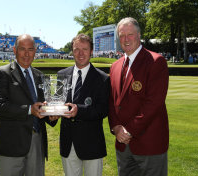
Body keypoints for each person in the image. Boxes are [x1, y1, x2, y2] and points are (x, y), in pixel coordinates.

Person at [108, 17, 169, 176]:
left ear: (139, 35)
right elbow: (112, 101)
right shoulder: (114, 66)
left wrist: (129, 131)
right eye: (122, 35)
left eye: (130, 34)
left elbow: (153, 103)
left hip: (149, 144)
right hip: (122, 145)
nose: (126, 39)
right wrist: (115, 127)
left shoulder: (156, 61)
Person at [0, 34, 56, 176]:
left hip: (37, 141)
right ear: (15, 50)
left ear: (35, 51)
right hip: (11, 143)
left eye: (30, 49)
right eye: (22, 49)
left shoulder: (39, 75)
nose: (26, 54)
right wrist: (29, 110)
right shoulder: (2, 73)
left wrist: (51, 115)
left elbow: (42, 107)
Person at [55, 33, 109, 176]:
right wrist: (51, 113)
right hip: (68, 141)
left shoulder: (102, 78)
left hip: (92, 142)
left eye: (84, 49)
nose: (80, 53)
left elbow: (103, 109)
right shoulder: (62, 74)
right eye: (76, 49)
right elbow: (57, 101)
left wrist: (79, 110)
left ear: (91, 51)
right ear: (72, 51)